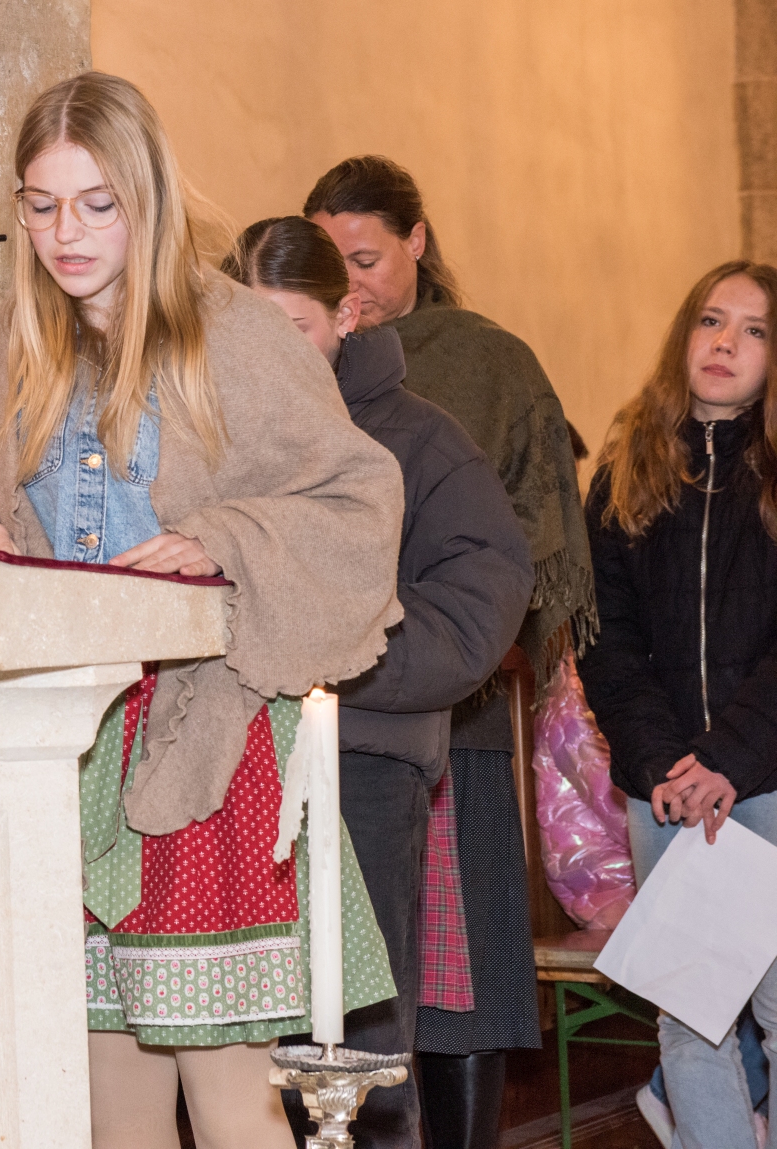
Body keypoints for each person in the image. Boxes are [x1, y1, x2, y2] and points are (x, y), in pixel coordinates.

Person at [0, 74, 406, 1149]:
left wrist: (222, 537)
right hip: (62, 744)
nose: (65, 233)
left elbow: (356, 496)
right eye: (42, 205)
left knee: (226, 1100)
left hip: (205, 738)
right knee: (109, 1104)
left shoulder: (233, 335)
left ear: (148, 199)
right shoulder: (5, 345)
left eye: (97, 204)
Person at [306, 157, 591, 1148]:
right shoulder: (294, 369)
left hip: (453, 707)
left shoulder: (487, 362)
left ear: (417, 242)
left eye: (366, 258)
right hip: (329, 725)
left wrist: (431, 622)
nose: (349, 286)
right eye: (328, 265)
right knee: (347, 981)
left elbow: (527, 545)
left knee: (457, 977)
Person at [234, 216, 533, 1149]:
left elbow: (484, 595)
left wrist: (347, 660)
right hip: (232, 771)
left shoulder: (418, 438)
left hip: (360, 765)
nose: (271, 354)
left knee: (358, 1053)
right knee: (237, 1055)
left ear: (346, 315)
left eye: (294, 329)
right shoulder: (209, 429)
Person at [580, 260, 777, 1149]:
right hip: (665, 791)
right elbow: (605, 637)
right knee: (691, 1019)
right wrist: (661, 761)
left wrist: (730, 755)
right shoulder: (626, 471)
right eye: (711, 319)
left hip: (766, 781)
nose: (726, 341)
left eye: (755, 329)